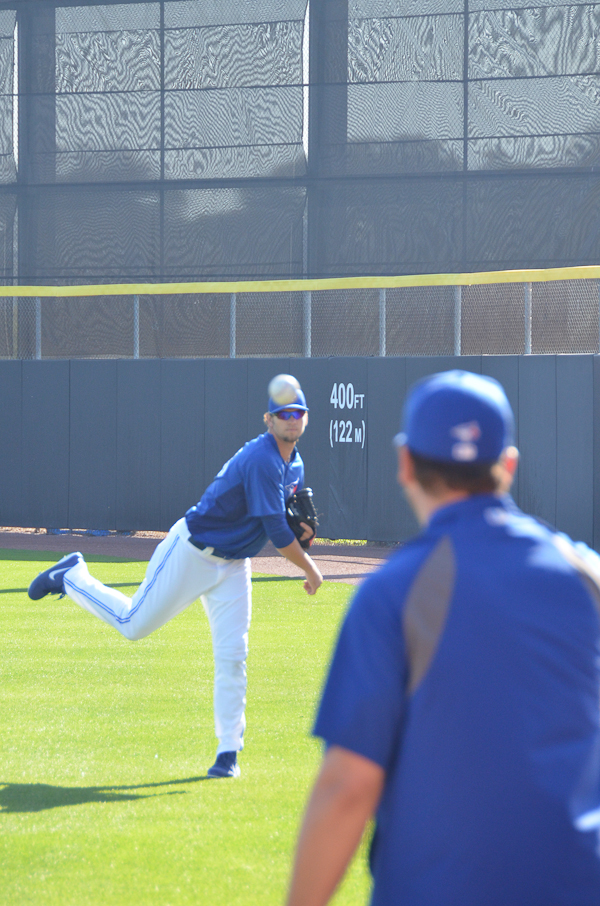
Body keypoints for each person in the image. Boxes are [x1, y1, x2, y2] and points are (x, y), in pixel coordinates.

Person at [286, 370, 600, 906]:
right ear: (508, 465)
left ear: (405, 463)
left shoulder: (393, 593)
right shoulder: (586, 576)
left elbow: (348, 787)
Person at [28, 377, 323, 779]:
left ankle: (228, 753)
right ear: (268, 420)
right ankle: (73, 575)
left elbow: (288, 518)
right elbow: (275, 530)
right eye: (284, 414)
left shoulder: (295, 464)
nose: (292, 420)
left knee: (233, 656)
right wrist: (308, 565)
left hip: (235, 564)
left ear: (306, 420)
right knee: (133, 625)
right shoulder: (262, 458)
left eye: (298, 413)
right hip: (193, 552)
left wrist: (302, 533)